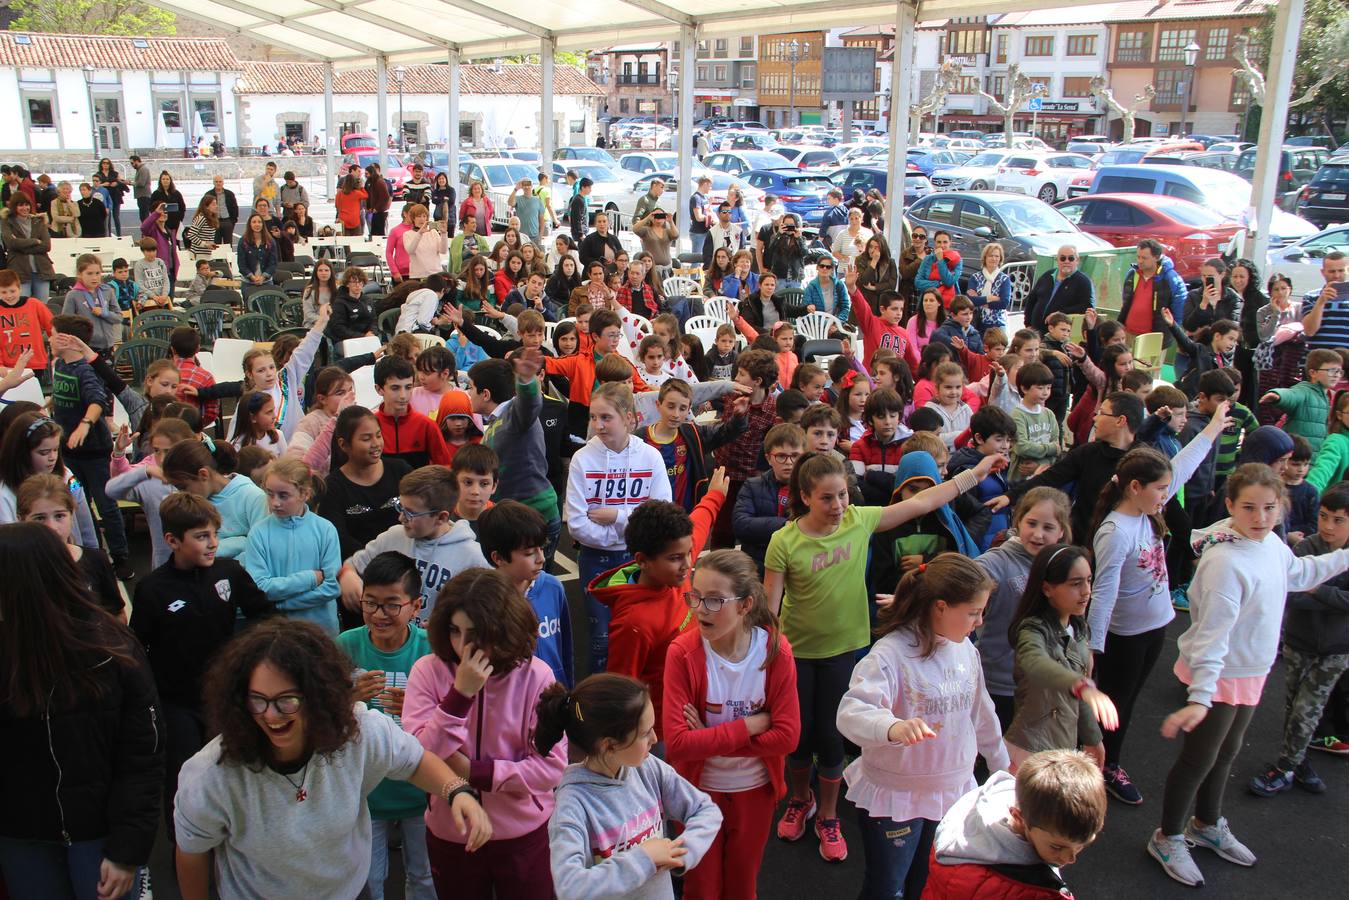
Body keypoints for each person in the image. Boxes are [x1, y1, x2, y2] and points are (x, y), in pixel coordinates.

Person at [767, 454, 998, 862]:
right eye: (826, 498)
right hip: (798, 652)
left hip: (843, 650)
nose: (838, 505)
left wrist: (975, 474)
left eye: (842, 495)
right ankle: (800, 800)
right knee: (799, 737)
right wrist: (766, 660)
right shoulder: (784, 541)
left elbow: (924, 502)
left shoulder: (860, 520)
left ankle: (830, 814)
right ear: (804, 497)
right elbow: (771, 610)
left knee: (832, 736)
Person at [173, 618, 490, 900]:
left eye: (287, 700)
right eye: (258, 700)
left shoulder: (357, 730)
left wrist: (456, 791)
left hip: (349, 891)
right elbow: (192, 852)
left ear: (319, 696)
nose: (271, 715)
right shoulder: (212, 773)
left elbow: (415, 761)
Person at [1148, 465, 1349, 888]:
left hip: (1251, 672)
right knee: (1199, 757)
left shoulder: (1271, 543)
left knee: (1227, 752)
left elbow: (1299, 575)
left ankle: (1206, 823)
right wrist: (1200, 697)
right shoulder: (1225, 562)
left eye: (1270, 508)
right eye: (1249, 508)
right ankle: (1168, 835)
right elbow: (1210, 636)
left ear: (1281, 507)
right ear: (1229, 506)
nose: (1260, 517)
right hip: (1220, 674)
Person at [0, 523, 163, 900]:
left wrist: (128, 850)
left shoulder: (109, 651)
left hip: (100, 834)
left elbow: (142, 755)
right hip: (22, 835)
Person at [837, 553, 1010, 896]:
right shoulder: (891, 654)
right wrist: (891, 727)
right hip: (896, 796)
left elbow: (981, 712)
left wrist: (1002, 767)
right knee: (887, 888)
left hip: (951, 790)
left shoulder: (965, 651)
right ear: (941, 607)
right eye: (974, 612)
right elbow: (851, 712)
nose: (979, 622)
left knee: (927, 882)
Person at [400, 567, 567, 899]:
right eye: (454, 631)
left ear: (504, 629)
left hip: (523, 834)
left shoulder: (537, 677)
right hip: (453, 832)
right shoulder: (427, 671)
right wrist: (459, 696)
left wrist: (474, 772)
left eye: (475, 633)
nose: (463, 646)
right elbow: (418, 758)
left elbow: (550, 769)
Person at [131, 492, 272, 845]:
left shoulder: (229, 572)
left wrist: (249, 655)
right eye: (201, 537)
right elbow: (137, 647)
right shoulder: (152, 589)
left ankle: (231, 837)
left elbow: (264, 613)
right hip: (176, 701)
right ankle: (184, 846)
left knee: (231, 767)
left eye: (215, 535)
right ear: (172, 541)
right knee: (183, 776)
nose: (213, 544)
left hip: (224, 696)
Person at [663, 549, 802, 900]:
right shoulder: (681, 654)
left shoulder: (775, 651)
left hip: (754, 790)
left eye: (714, 600)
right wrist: (753, 726)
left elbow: (787, 737)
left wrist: (707, 737)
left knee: (742, 885)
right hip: (697, 793)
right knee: (701, 887)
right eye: (694, 597)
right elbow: (678, 744)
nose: (699, 609)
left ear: (744, 605)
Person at [534, 673, 723, 900]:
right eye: (645, 733)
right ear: (610, 745)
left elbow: (706, 810)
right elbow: (570, 887)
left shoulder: (648, 768)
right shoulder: (573, 804)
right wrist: (644, 858)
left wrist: (683, 852)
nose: (654, 738)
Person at [334, 550, 434, 900]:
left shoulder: (431, 650)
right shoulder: (345, 646)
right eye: (369, 603)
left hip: (421, 792)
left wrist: (418, 711)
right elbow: (321, 717)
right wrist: (348, 699)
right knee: (367, 882)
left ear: (416, 606)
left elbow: (455, 721)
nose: (379, 614)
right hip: (366, 794)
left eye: (392, 605)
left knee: (425, 878)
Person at [1248, 483, 1349, 797]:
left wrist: (1317, 588)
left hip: (1337, 649)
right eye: (1323, 516)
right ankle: (1300, 762)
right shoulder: (1306, 549)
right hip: (1298, 642)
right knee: (1294, 706)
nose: (1328, 526)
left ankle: (1284, 768)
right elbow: (1290, 594)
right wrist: (1332, 598)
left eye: (1338, 520)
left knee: (1309, 707)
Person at [567, 382, 672, 672]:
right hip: (595, 559)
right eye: (593, 417)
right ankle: (599, 705)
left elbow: (661, 514)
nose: (598, 425)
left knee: (640, 631)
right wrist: (627, 530)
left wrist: (616, 516)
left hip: (639, 558)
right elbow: (576, 524)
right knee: (601, 638)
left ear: (630, 418)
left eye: (606, 417)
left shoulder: (650, 457)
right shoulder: (582, 459)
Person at [925, 749, 1107, 899]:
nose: (1070, 858)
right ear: (1019, 818)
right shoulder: (1034, 892)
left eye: (1081, 846)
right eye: (1057, 847)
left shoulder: (971, 814)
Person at [1003, 544, 1118, 768]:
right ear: (1047, 588)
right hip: (1030, 749)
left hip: (1062, 745)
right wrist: (1081, 685)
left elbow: (1079, 694)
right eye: (1076, 584)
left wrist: (1093, 738)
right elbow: (1035, 662)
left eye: (1088, 580)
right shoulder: (1031, 630)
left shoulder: (1078, 627)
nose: (1086, 591)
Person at [1118, 238, 1189, 343]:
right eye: (1138, 257)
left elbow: (1179, 308)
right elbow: (1126, 302)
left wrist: (1173, 334)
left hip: (1154, 338)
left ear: (1156, 257)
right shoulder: (1132, 274)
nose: (1140, 261)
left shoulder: (1170, 278)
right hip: (1128, 333)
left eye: (1144, 258)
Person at [1026, 246, 1093, 334]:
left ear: (1077, 260)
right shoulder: (1047, 275)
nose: (1066, 261)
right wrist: (1027, 324)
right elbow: (1032, 299)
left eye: (1071, 258)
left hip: (1059, 336)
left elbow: (1086, 306)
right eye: (1062, 258)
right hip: (1035, 331)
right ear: (1057, 260)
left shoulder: (1083, 281)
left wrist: (1060, 313)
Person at [2, 193, 55, 300]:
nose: (25, 208)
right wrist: (35, 241)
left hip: (41, 271)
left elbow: (46, 246)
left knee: (42, 305)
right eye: (21, 205)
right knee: (22, 304)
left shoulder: (38, 221)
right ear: (14, 206)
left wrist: (21, 245)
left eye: (27, 205)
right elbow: (11, 243)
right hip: (20, 271)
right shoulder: (7, 222)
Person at [1298, 250, 1349, 354]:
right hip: (1318, 359)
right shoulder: (1311, 297)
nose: (1336, 276)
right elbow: (1309, 331)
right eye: (1332, 271)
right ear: (1323, 272)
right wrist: (1321, 302)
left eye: (1341, 270)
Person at [204, 174, 239, 246]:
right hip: (214, 222)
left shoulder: (230, 194)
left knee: (228, 245)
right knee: (216, 244)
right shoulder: (208, 194)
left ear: (223, 183)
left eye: (220, 181)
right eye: (216, 182)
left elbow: (235, 208)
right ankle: (217, 258)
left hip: (227, 221)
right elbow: (204, 209)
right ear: (213, 183)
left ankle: (228, 257)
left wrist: (233, 221)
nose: (218, 183)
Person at [184, 195, 219, 261]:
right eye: (213, 204)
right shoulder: (201, 218)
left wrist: (210, 244)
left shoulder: (211, 219)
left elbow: (206, 237)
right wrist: (205, 244)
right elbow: (191, 234)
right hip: (198, 255)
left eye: (216, 204)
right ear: (206, 207)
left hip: (207, 254)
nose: (216, 206)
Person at [366, 164, 392, 237]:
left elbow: (385, 197)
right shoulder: (373, 182)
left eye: (367, 173)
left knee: (379, 234)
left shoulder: (379, 182)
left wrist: (377, 208)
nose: (366, 175)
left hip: (380, 212)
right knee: (374, 233)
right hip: (375, 212)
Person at [130, 154, 153, 221]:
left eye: (132, 163)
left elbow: (141, 183)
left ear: (137, 161)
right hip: (141, 196)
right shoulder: (140, 169)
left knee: (144, 216)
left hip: (144, 196)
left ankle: (147, 231)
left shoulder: (143, 169)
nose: (132, 165)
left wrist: (130, 183)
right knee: (143, 216)